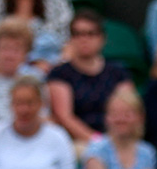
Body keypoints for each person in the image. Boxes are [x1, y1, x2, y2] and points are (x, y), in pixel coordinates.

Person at [47, 9, 133, 152]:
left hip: (117, 138)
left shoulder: (118, 73)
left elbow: (128, 108)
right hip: (79, 142)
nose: (84, 39)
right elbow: (65, 117)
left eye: (90, 34)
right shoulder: (59, 74)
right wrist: (97, 141)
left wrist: (114, 141)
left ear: (102, 38)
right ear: (70, 39)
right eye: (78, 34)